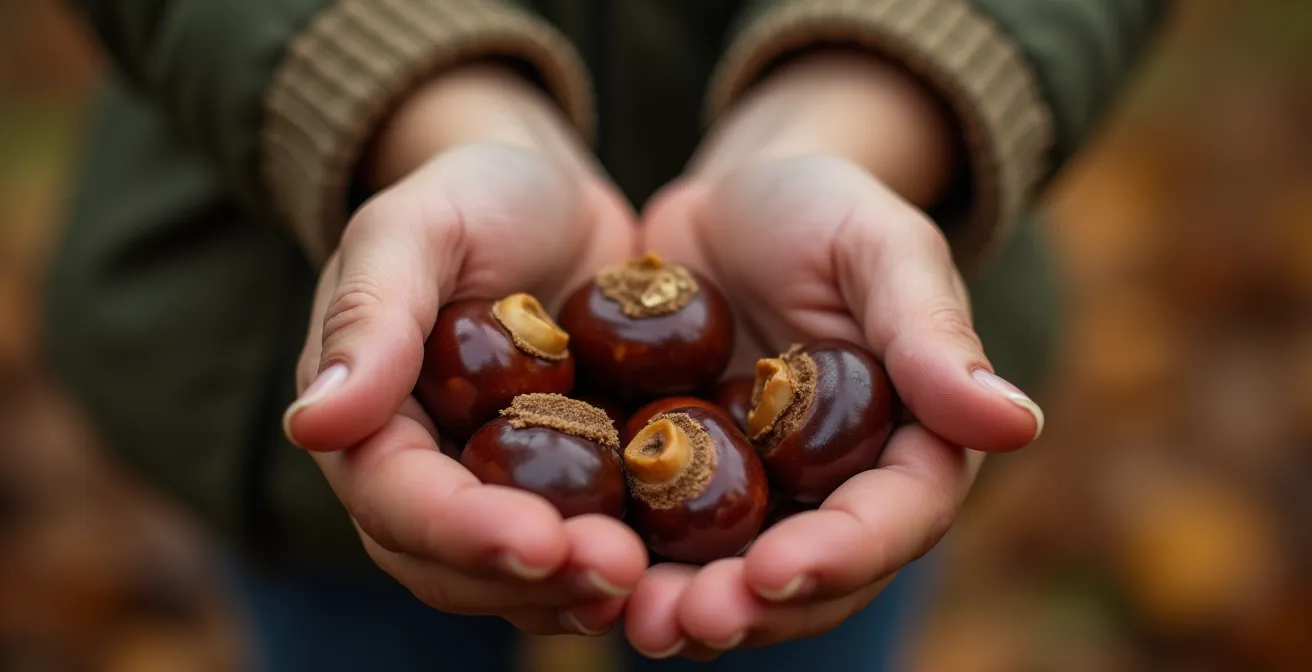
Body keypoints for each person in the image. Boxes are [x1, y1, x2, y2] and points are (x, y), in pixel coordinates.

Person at [45, 0, 1168, 668]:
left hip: (835, 377)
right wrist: (412, 100)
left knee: (790, 618)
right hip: (246, 341)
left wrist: (869, 106)